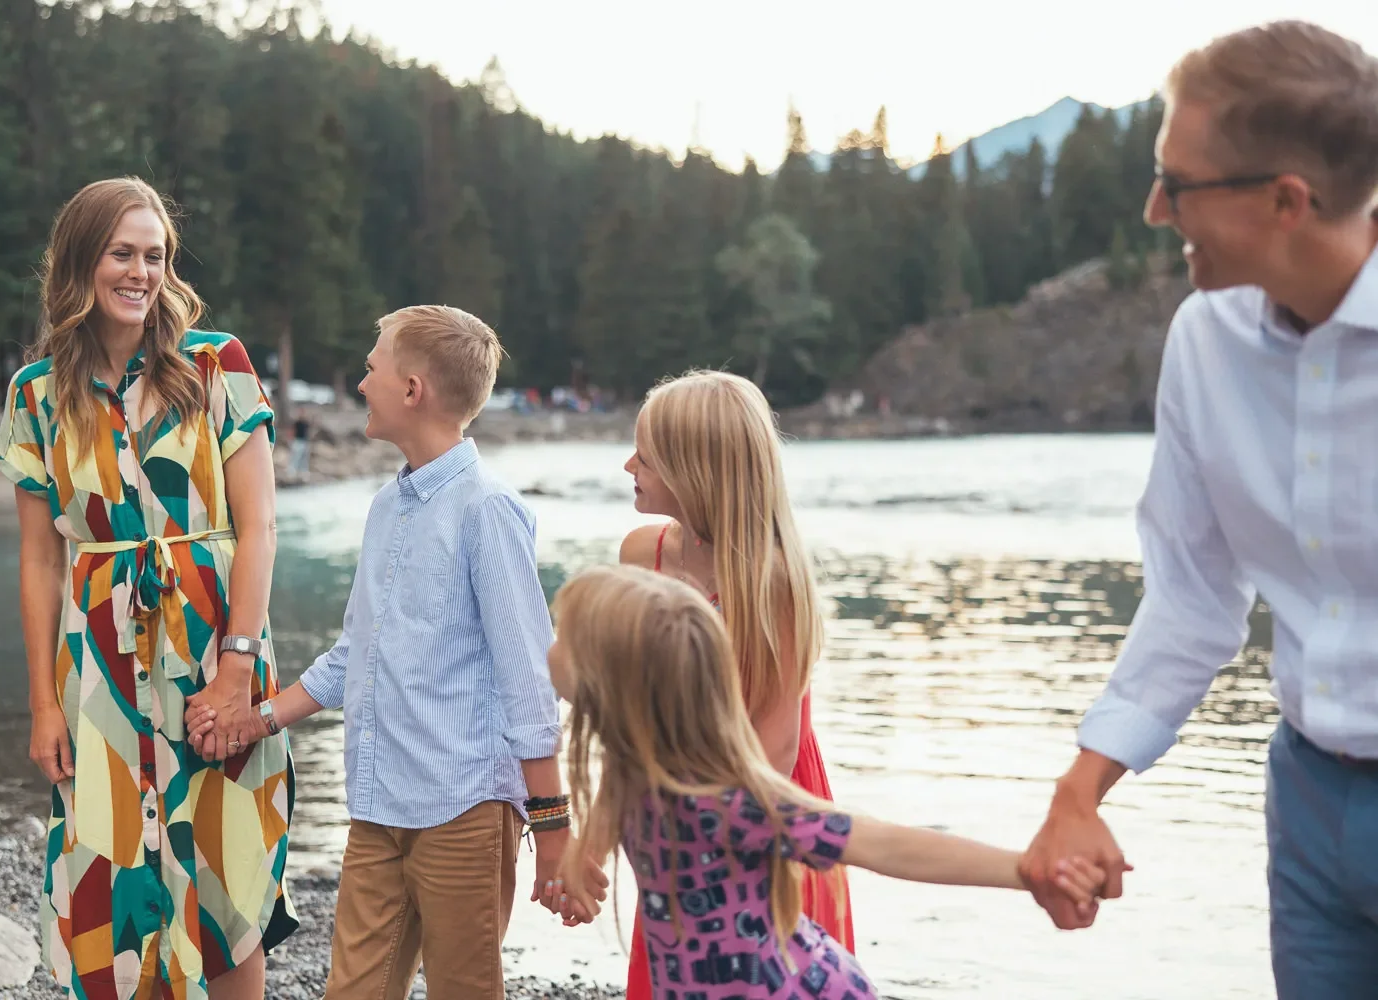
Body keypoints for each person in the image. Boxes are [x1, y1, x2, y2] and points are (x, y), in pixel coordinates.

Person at [1016, 20, 1378, 998]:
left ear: (1286, 201)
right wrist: (1078, 792)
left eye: (1177, 184)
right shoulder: (1205, 339)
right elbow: (1191, 594)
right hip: (1308, 803)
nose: (1151, 208)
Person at [188, 305, 607, 1000]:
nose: (360, 384)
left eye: (372, 367)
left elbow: (528, 680)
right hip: (379, 806)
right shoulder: (388, 508)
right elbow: (357, 653)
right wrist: (255, 719)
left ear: (412, 390)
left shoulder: (486, 510)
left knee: (463, 989)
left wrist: (553, 829)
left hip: (464, 810)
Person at [0, 177, 296, 999]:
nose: (140, 272)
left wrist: (237, 664)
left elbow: (260, 527)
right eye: (122, 254)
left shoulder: (216, 363)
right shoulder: (37, 395)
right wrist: (43, 704)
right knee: (115, 887)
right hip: (98, 675)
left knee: (225, 879)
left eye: (154, 255)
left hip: (214, 651)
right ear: (82, 262)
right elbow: (39, 562)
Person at [549, 565, 1105, 997]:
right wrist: (575, 858)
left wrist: (1026, 871)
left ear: (613, 683)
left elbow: (881, 844)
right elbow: (609, 813)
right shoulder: (635, 769)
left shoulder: (723, 800)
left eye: (564, 639)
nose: (549, 647)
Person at [616, 370, 853, 996]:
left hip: (762, 800)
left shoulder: (773, 582)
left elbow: (773, 749)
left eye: (646, 454)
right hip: (670, 790)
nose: (627, 464)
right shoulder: (643, 555)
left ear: (696, 468)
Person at [288, 408, 312, 480]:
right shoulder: (297, 423)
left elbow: (308, 432)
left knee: (304, 458)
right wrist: (291, 439)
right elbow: (292, 431)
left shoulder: (306, 423)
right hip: (297, 441)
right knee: (295, 457)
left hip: (304, 441)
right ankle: (292, 471)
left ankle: (303, 472)